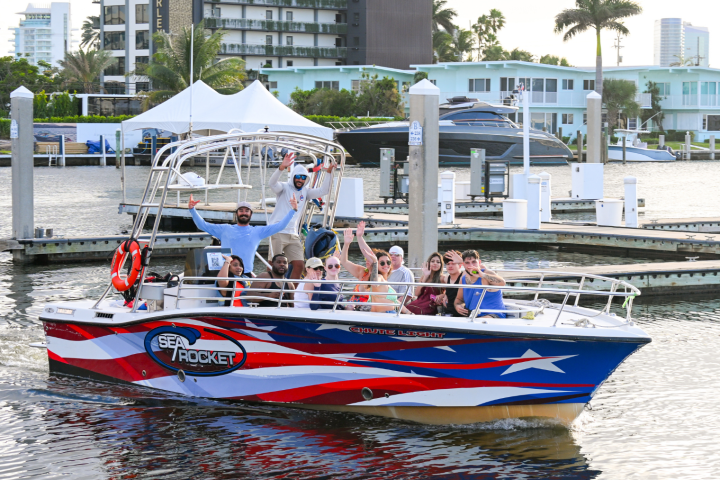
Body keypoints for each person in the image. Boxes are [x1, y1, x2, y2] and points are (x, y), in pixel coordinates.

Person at [268, 152, 338, 280]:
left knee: (299, 265)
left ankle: (291, 294)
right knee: (273, 264)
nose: (300, 179)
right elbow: (272, 184)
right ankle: (270, 289)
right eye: (298, 177)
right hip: (278, 231)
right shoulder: (284, 187)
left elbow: (324, 191)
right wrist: (281, 168)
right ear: (293, 177)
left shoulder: (305, 192)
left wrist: (328, 173)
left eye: (303, 177)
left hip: (293, 234)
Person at [188, 194, 298, 273]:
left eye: (246, 211)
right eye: (241, 211)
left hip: (246, 274)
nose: (244, 213)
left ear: (251, 214)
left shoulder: (258, 231)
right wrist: (192, 210)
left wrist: (293, 210)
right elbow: (202, 225)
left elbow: (280, 226)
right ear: (236, 214)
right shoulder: (225, 229)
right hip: (226, 273)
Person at [339, 228, 411, 314]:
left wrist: (409, 313)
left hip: (379, 314)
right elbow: (344, 261)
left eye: (388, 262)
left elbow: (396, 302)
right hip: (358, 310)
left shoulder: (381, 278)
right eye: (382, 263)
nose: (386, 265)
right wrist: (347, 243)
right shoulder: (364, 272)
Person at [451, 250, 507, 319]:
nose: (471, 265)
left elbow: (502, 283)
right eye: (467, 263)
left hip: (493, 315)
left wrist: (482, 275)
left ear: (479, 262)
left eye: (474, 262)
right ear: (463, 265)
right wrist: (458, 306)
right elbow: (459, 299)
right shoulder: (463, 279)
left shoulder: (486, 273)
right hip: (473, 316)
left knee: (473, 324)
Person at [435, 251, 464, 317]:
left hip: (460, 313)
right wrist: (444, 295)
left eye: (453, 263)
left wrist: (462, 261)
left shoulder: (464, 277)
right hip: (447, 312)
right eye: (448, 264)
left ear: (460, 265)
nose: (450, 266)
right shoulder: (446, 278)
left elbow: (474, 272)